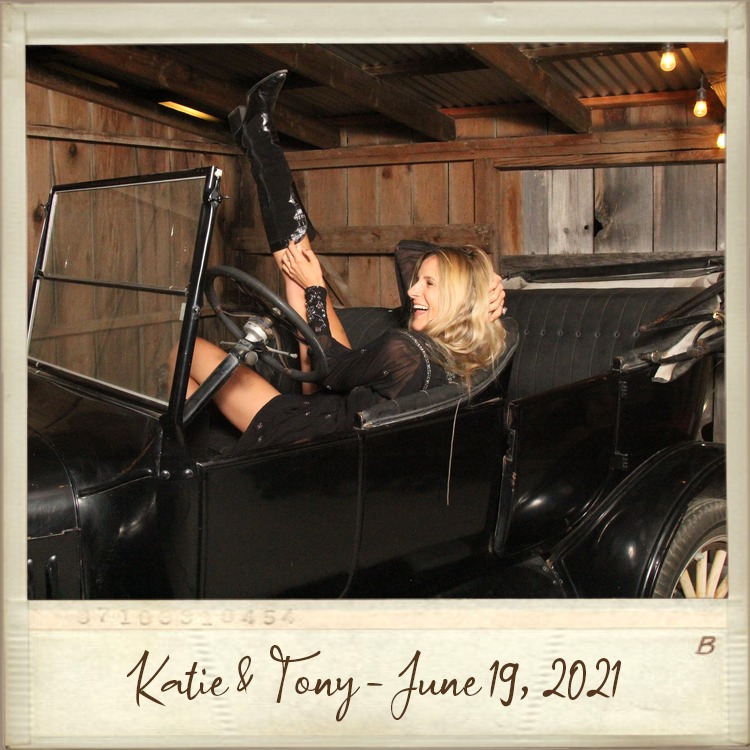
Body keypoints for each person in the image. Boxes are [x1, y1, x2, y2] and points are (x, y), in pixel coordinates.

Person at [181, 70, 508, 451]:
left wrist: (316, 288)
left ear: (456, 298)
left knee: (183, 352)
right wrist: (484, 283)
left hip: (312, 434)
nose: (411, 290)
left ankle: (195, 462)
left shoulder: (406, 351)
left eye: (429, 283)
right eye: (420, 280)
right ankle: (258, 137)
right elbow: (411, 255)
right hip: (342, 407)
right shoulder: (475, 350)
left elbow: (332, 370)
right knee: (299, 265)